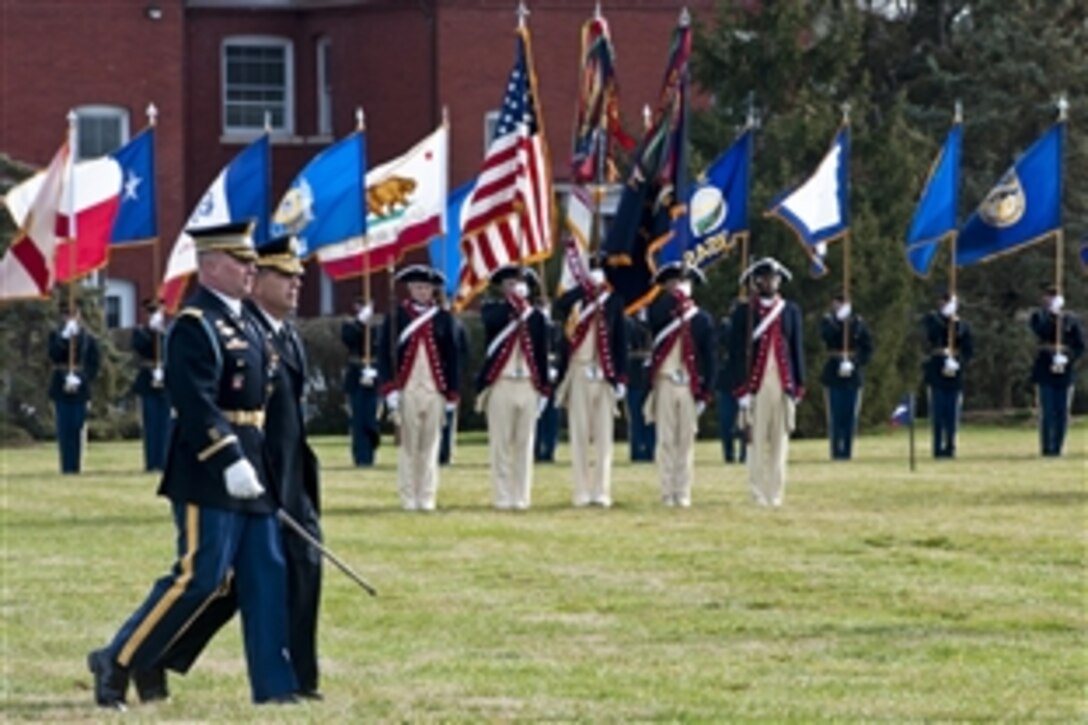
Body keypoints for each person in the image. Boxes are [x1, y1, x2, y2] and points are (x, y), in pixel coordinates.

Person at [87, 221, 298, 709]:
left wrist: (263, 466)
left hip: (253, 465)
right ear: (209, 265)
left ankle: (275, 685)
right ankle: (118, 658)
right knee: (200, 577)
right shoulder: (194, 323)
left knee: (265, 572)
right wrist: (227, 458)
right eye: (240, 261)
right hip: (209, 467)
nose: (251, 270)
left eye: (251, 262)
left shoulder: (246, 320)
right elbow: (194, 399)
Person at [378, 264, 460, 511]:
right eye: (417, 287)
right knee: (408, 447)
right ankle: (408, 497)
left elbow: (454, 357)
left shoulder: (445, 318)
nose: (422, 292)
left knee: (430, 445)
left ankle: (427, 496)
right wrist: (390, 389)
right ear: (410, 289)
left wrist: (451, 393)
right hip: (407, 388)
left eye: (426, 288)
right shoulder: (396, 317)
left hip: (434, 389)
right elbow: (384, 354)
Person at [728, 257, 805, 508]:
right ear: (756, 282)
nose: (770, 283)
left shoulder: (790, 310)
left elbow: (796, 350)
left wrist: (799, 384)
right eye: (764, 278)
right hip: (756, 385)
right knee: (756, 441)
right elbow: (736, 352)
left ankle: (776, 492)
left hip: (782, 383)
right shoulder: (744, 312)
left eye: (774, 278)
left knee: (780, 443)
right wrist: (741, 388)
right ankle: (758, 491)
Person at [552, 254, 628, 507]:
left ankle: (601, 491)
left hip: (604, 374)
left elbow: (620, 342)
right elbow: (559, 306)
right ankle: (581, 491)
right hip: (578, 371)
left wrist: (621, 378)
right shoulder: (576, 300)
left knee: (604, 437)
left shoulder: (614, 301)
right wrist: (583, 290)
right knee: (580, 434)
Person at [475, 265, 551, 510]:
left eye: (518, 284)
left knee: (524, 442)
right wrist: (514, 304)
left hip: (527, 383)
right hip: (502, 382)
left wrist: (544, 390)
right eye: (508, 284)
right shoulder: (493, 310)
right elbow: (492, 323)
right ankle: (502, 495)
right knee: (500, 443)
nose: (513, 288)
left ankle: (521, 495)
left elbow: (541, 354)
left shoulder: (536, 317)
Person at [643, 262, 714, 508]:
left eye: (684, 283)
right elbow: (655, 321)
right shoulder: (660, 310)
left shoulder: (702, 319)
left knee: (686, 440)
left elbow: (709, 358)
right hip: (665, 381)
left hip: (689, 385)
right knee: (666, 439)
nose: (680, 287)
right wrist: (674, 301)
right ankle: (667, 491)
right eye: (674, 283)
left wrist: (705, 393)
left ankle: (682, 491)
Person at [1029, 284, 1084, 456]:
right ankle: (1047, 447)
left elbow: (1080, 345)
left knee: (1062, 411)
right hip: (1045, 367)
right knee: (1047, 411)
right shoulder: (1038, 316)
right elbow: (1041, 330)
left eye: (1055, 296)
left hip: (1064, 369)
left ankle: (1058, 447)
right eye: (1048, 296)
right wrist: (1052, 315)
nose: (1051, 299)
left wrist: (1069, 357)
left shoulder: (1070, 319)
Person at [820, 291, 874, 460]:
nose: (840, 306)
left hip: (853, 373)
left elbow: (868, 348)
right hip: (834, 372)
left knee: (851, 416)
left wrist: (855, 362)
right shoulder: (828, 321)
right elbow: (827, 335)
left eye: (843, 303)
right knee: (835, 416)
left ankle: (848, 452)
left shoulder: (858, 323)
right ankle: (836, 451)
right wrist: (839, 321)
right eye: (837, 303)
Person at [48, 305, 100, 474]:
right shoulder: (55, 335)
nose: (70, 318)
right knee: (64, 427)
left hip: (80, 384)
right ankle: (66, 465)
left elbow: (94, 363)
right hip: (61, 383)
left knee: (78, 426)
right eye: (66, 315)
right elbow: (53, 355)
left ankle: (76, 465)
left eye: (73, 314)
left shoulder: (88, 338)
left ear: (79, 315)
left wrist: (82, 378)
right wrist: (64, 338)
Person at [922, 291, 973, 458]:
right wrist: (945, 319)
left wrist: (959, 362)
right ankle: (937, 446)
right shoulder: (931, 319)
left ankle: (950, 446)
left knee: (952, 412)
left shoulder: (962, 324)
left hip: (955, 371)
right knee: (938, 411)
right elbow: (931, 335)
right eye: (944, 302)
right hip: (937, 369)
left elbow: (968, 348)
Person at [131, 299, 170, 472]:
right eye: (151, 312)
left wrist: (160, 333)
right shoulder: (140, 332)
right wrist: (152, 333)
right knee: (150, 423)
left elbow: (169, 349)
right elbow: (141, 347)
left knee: (165, 423)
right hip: (148, 378)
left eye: (158, 312)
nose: (154, 315)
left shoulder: (169, 332)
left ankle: (163, 461)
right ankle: (151, 462)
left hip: (166, 381)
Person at [342, 297, 380, 466]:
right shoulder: (350, 326)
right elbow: (348, 338)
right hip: (357, 377)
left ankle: (371, 452)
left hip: (374, 376)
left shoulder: (378, 328)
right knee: (358, 420)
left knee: (371, 419)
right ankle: (361, 457)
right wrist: (359, 322)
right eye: (361, 306)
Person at [531, 269, 562, 463]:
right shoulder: (533, 327)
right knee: (535, 417)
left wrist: (557, 366)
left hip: (554, 377)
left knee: (552, 418)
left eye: (546, 307)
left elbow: (562, 350)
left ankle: (549, 450)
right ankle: (535, 450)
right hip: (536, 376)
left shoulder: (557, 328)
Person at [715, 309, 746, 464]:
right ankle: (728, 453)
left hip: (745, 381)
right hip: (727, 381)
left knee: (746, 421)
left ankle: (745, 453)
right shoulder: (726, 327)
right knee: (726, 421)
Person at [438, 312, 469, 466]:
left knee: (448, 418)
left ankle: (446, 452)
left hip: (448, 376)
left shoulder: (456, 324)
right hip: (430, 376)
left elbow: (462, 352)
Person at [625, 310, 656, 462]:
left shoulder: (655, 322)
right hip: (635, 379)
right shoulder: (628, 324)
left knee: (652, 418)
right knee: (636, 418)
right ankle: (637, 451)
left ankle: (651, 451)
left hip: (653, 381)